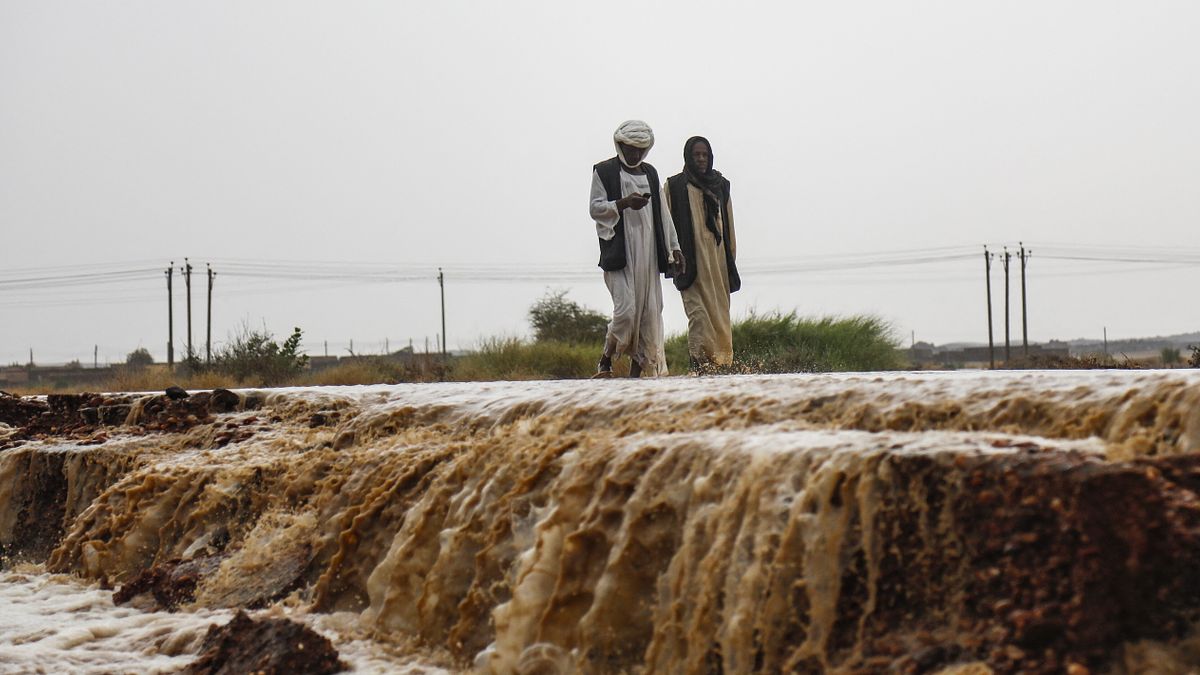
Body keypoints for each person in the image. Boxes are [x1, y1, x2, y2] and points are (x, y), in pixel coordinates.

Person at [589, 120, 685, 378]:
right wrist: (622, 204)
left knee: (649, 315)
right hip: (621, 254)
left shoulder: (650, 173)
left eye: (640, 150)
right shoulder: (605, 171)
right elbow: (595, 208)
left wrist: (675, 248)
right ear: (620, 145)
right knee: (626, 312)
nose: (635, 154)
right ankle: (605, 361)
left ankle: (635, 377)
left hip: (649, 254)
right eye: (630, 149)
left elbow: (664, 215)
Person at [664, 136, 741, 370]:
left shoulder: (721, 185)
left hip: (717, 264)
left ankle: (720, 369)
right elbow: (666, 226)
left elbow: (728, 226)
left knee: (719, 320)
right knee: (698, 317)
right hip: (691, 265)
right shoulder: (674, 186)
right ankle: (699, 366)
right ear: (688, 156)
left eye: (705, 155)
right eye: (697, 154)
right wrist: (671, 257)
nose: (701, 159)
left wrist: (730, 260)